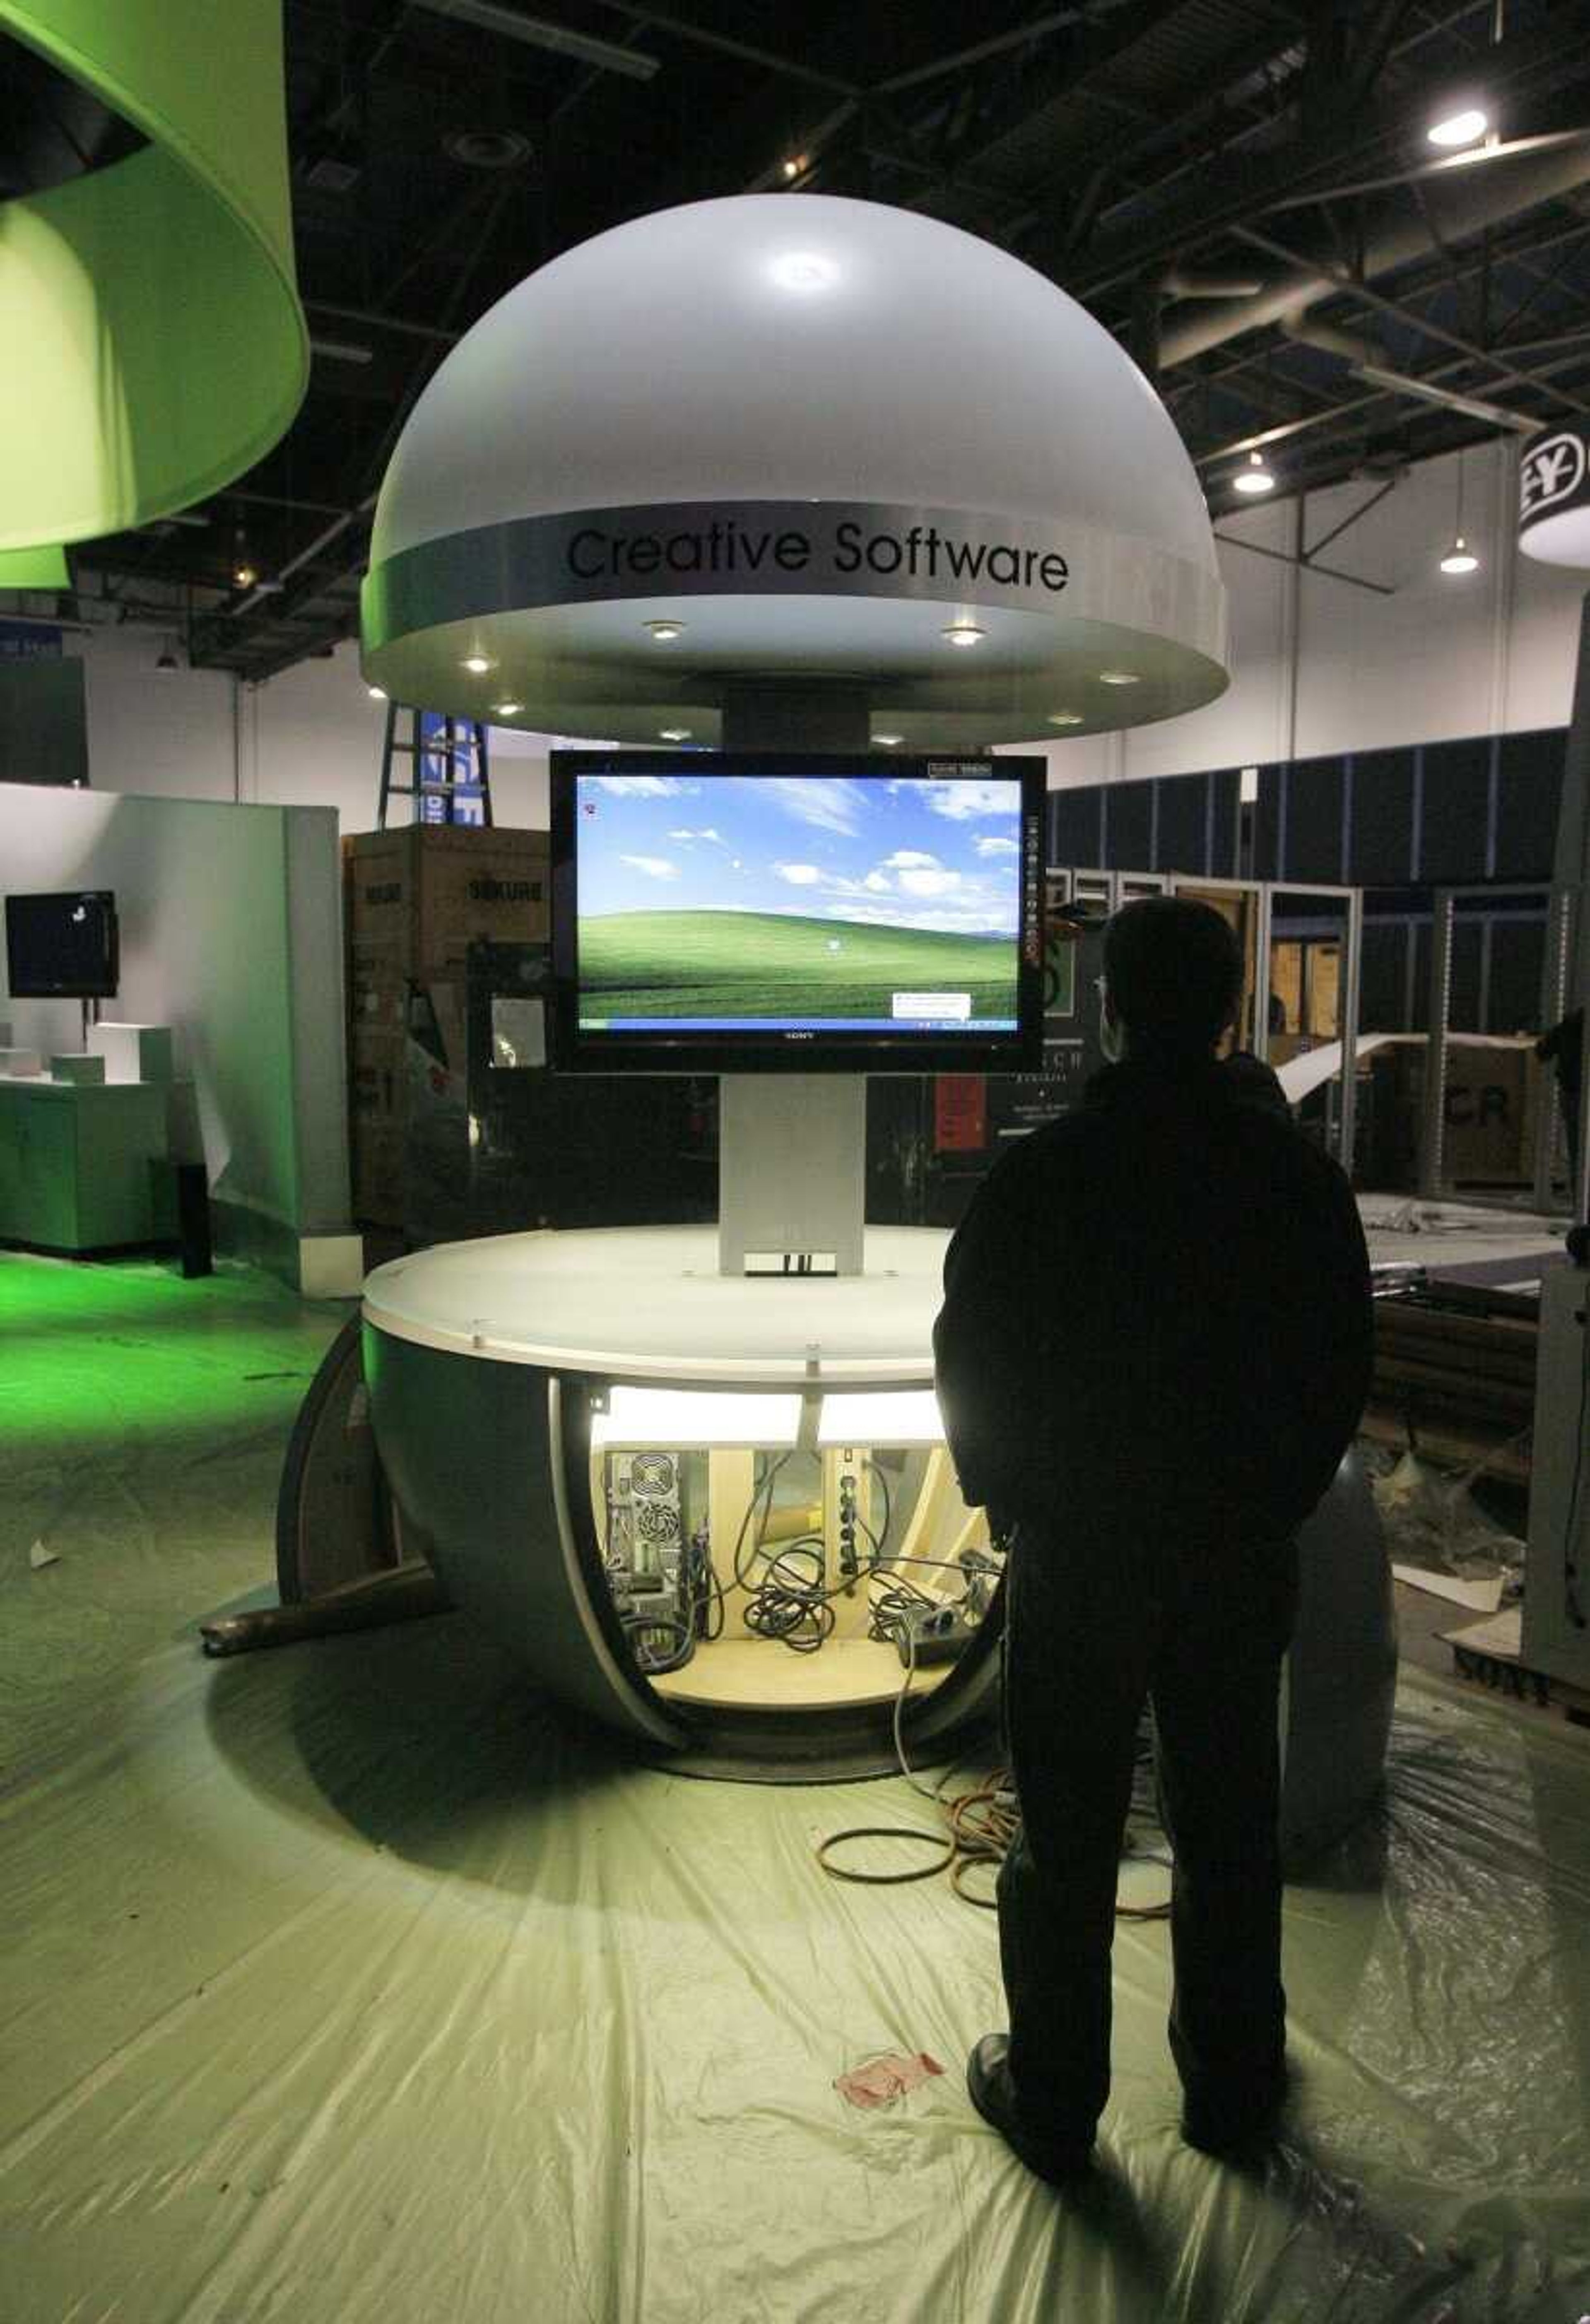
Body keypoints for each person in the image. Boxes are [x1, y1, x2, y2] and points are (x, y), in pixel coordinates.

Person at [933, 896, 1372, 2183]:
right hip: (1231, 1547)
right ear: (1232, 1005)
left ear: (1108, 1005)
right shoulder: (1292, 1178)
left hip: (1081, 1546)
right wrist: (1270, 1499)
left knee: (1062, 1830)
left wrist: (1005, 1495)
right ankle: (1230, 2089)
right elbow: (1337, 1362)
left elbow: (970, 1349)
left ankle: (1055, 2098)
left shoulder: (1046, 1169)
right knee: (1227, 1816)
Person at [1536, 1005, 1584, 1177]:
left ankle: (1579, 1196)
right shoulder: (1570, 1025)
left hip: (1572, 1092)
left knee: (1577, 1150)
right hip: (1574, 1092)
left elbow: (1542, 1052)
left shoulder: (1569, 1024)